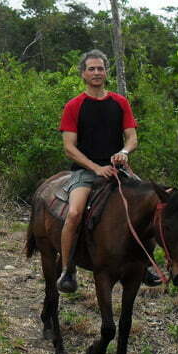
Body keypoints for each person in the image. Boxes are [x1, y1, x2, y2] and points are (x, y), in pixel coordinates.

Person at [56, 49, 151, 293]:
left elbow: (132, 137)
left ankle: (146, 263)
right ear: (83, 74)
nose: (97, 73)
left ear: (106, 72)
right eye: (92, 69)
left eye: (100, 68)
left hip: (119, 169)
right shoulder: (74, 106)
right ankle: (67, 269)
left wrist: (125, 152)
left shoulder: (120, 103)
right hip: (86, 172)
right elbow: (69, 147)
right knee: (75, 213)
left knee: (151, 206)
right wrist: (96, 168)